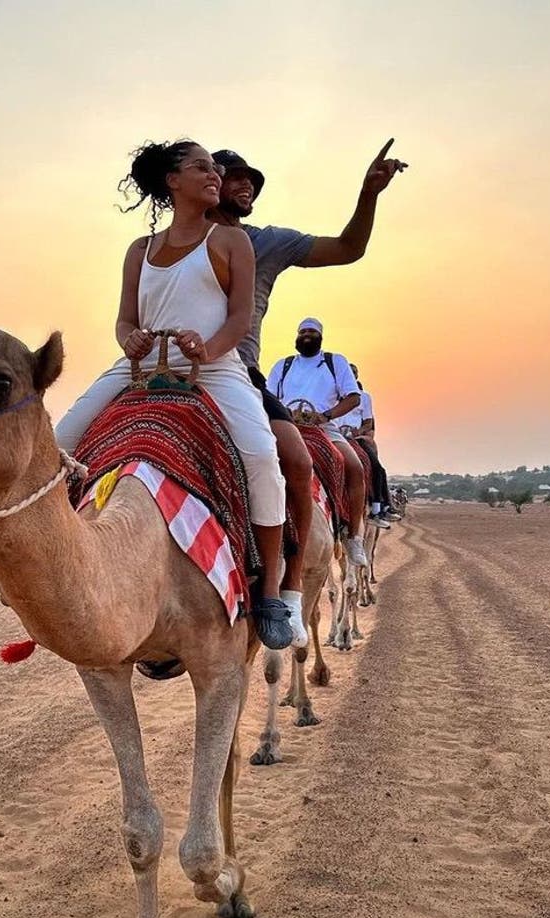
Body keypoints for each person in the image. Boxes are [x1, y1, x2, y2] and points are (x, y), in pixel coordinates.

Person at [55, 140, 294, 650]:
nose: (214, 175)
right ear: (172, 180)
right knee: (60, 441)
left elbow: (239, 319)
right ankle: (54, 557)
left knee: (261, 455)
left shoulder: (231, 241)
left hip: (215, 368)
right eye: (201, 168)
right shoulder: (139, 250)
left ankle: (271, 592)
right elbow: (125, 320)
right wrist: (130, 341)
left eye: (214, 169)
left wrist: (207, 349)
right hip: (141, 367)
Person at [209, 141, 406, 628]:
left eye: (252, 179)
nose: (247, 185)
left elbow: (347, 248)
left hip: (239, 375)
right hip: (170, 369)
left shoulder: (265, 243)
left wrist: (368, 195)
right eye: (235, 176)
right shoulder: (170, 243)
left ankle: (294, 584)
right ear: (207, 184)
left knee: (315, 462)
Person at [266, 318, 370, 564]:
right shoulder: (283, 366)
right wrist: (284, 413)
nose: (307, 335)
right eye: (303, 331)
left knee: (355, 467)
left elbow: (353, 398)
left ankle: (353, 537)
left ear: (320, 336)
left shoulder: (335, 362)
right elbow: (268, 396)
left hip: (324, 427)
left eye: (312, 332)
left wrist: (325, 416)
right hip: (286, 426)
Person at [340, 363, 394, 526]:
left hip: (354, 438)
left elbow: (368, 422)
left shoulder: (364, 398)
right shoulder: (330, 393)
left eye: (353, 373)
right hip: (332, 434)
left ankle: (377, 508)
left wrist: (359, 432)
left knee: (376, 467)